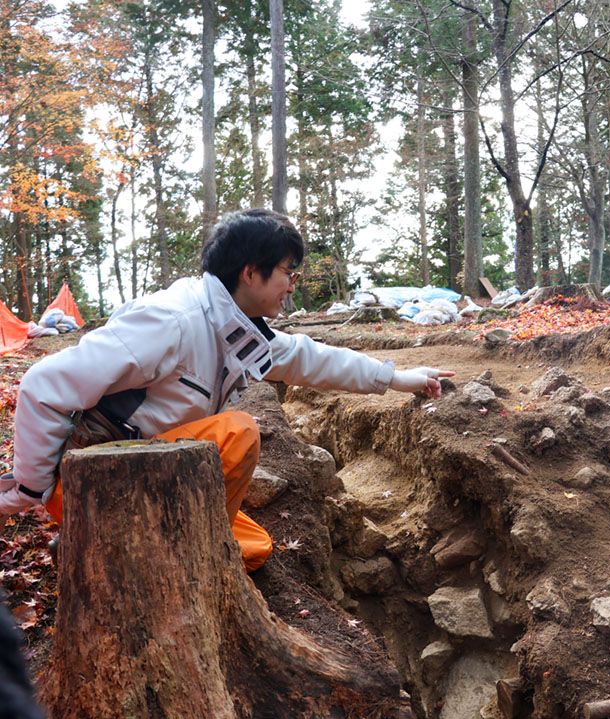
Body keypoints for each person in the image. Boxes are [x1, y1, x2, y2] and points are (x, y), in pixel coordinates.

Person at [0, 208, 454, 570]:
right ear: (251, 272)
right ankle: (108, 539)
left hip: (150, 470)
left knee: (253, 548)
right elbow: (44, 384)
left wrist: (395, 377)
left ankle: (111, 545)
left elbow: (303, 357)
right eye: (288, 273)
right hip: (98, 478)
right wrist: (31, 488)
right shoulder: (171, 321)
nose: (291, 286)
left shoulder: (234, 326)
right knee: (238, 432)